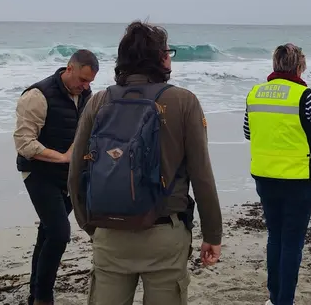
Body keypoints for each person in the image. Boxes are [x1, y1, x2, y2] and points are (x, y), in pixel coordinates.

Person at [68, 21, 223, 305]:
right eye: (168, 52)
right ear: (160, 58)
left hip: (110, 233)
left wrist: (91, 226)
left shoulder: (99, 101)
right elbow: (202, 175)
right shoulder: (183, 101)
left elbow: (76, 172)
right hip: (164, 233)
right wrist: (213, 233)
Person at [243, 43, 311, 305]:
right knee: (292, 241)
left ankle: (274, 297)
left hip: (264, 174)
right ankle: (284, 300)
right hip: (298, 177)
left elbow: (248, 132)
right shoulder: (305, 95)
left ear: (275, 64)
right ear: (300, 66)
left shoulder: (255, 94)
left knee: (275, 236)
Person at [14, 49, 99, 305]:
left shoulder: (86, 95)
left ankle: (36, 294)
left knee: (48, 234)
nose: (85, 86)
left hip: (70, 176)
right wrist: (62, 157)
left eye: (90, 82)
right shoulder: (37, 95)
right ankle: (44, 297)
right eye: (82, 80)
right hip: (39, 173)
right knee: (60, 233)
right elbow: (24, 143)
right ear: (69, 68)